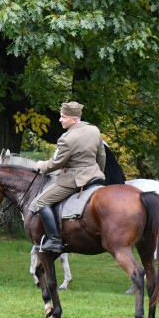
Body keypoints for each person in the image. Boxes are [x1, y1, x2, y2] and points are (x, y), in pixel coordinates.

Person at [31, 101, 105, 253]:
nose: (60, 120)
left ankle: (55, 241)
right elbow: (101, 156)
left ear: (75, 119)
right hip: (95, 175)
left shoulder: (66, 138)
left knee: (41, 201)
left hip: (74, 179)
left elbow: (55, 164)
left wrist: (41, 165)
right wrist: (99, 173)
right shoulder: (94, 130)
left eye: (63, 117)